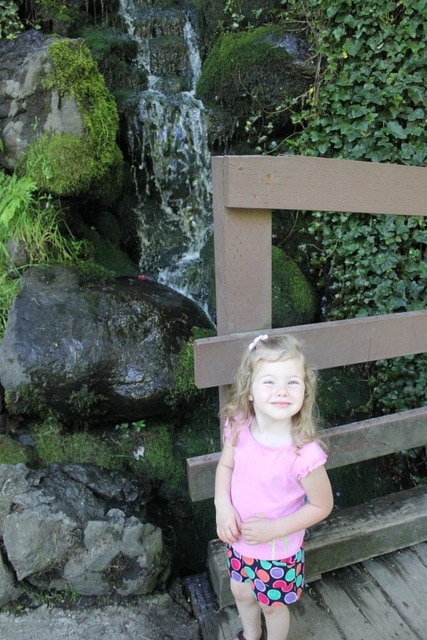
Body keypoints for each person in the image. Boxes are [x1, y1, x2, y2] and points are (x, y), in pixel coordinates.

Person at [215, 334, 333, 640]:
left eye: (292, 382)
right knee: (241, 592)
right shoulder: (238, 426)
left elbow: (322, 505)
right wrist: (222, 505)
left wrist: (274, 529)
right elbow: (226, 466)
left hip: (278, 552)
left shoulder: (303, 454)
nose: (282, 391)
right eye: (269, 381)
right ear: (249, 390)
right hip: (238, 540)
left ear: (305, 390)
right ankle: (250, 636)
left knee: (272, 606)